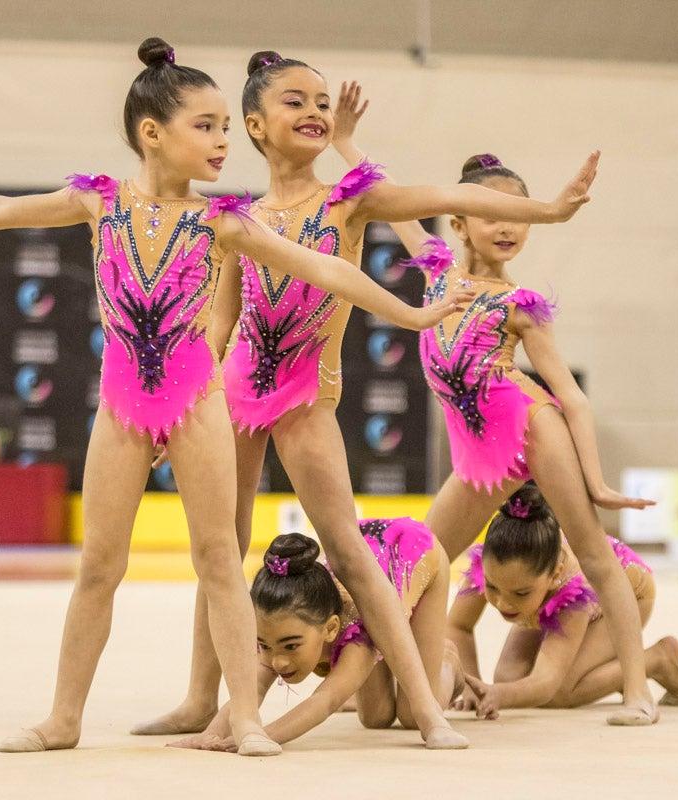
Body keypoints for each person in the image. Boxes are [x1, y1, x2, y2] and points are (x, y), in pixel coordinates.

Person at [0, 38, 465, 756]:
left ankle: (244, 717)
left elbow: (327, 269)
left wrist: (407, 314)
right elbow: (3, 210)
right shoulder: (97, 202)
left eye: (227, 126)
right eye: (207, 126)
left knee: (219, 556)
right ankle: (63, 717)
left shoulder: (223, 222)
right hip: (123, 409)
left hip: (200, 405)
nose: (224, 142)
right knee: (101, 563)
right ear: (151, 133)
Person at [138, 51, 601, 745]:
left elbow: (454, 197)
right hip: (234, 387)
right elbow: (218, 322)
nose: (317, 112)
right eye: (296, 102)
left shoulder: (348, 200)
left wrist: (551, 211)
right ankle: (204, 698)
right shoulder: (237, 217)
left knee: (349, 549)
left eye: (323, 101)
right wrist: (175, 406)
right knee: (219, 548)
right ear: (256, 126)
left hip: (305, 394)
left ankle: (428, 709)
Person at [330, 82, 662, 724]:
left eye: (519, 215)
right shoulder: (433, 270)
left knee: (592, 549)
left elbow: (571, 397)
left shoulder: (520, 307)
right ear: (456, 221)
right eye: (490, 213)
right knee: (416, 559)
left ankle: (640, 691)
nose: (508, 226)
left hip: (532, 427)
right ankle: (378, 681)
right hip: (480, 458)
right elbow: (384, 190)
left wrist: (597, 482)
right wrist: (343, 140)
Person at [171, 523, 464, 751]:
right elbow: (250, 691)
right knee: (376, 718)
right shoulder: (284, 625)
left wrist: (260, 736)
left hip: (416, 551)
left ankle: (447, 660)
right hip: (372, 558)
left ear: (331, 628)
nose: (278, 660)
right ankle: (394, 657)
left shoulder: (358, 637)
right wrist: (210, 735)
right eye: (264, 645)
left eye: (291, 645)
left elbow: (324, 700)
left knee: (412, 716)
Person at [446, 484, 678, 719]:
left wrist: (499, 696)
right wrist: (470, 685)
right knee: (509, 678)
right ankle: (604, 670)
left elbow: (547, 682)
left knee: (561, 692)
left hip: (626, 593)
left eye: (520, 593)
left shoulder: (572, 592)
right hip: (545, 593)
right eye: (492, 588)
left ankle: (659, 659)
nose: (503, 603)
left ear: (554, 576)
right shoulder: (497, 566)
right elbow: (458, 626)